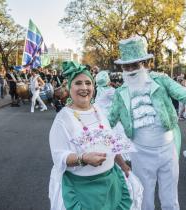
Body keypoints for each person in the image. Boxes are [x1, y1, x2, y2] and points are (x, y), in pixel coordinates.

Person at [108, 36, 186, 210]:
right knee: (144, 199)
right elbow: (108, 122)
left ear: (145, 63)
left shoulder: (161, 80)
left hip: (167, 149)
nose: (130, 70)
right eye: (126, 66)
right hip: (140, 153)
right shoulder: (120, 93)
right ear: (122, 67)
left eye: (135, 65)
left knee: (170, 199)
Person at [49, 61, 143, 210]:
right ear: (69, 87)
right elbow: (59, 157)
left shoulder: (98, 110)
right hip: (83, 190)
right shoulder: (63, 118)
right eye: (78, 83)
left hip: (111, 184)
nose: (84, 87)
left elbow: (110, 143)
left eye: (88, 83)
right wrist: (84, 158)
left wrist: (124, 166)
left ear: (93, 86)